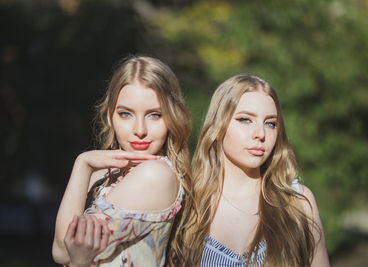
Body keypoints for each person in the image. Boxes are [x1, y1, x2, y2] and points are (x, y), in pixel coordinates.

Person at [172, 74, 329, 266]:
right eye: (245, 120)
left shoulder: (298, 203)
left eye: (270, 123)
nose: (261, 134)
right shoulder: (187, 203)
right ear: (218, 125)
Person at [51, 55, 193, 267]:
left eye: (154, 115)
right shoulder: (101, 175)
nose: (140, 130)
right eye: (126, 114)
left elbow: (63, 251)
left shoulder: (155, 175)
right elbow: (62, 251)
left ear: (172, 117)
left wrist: (82, 164)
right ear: (110, 116)